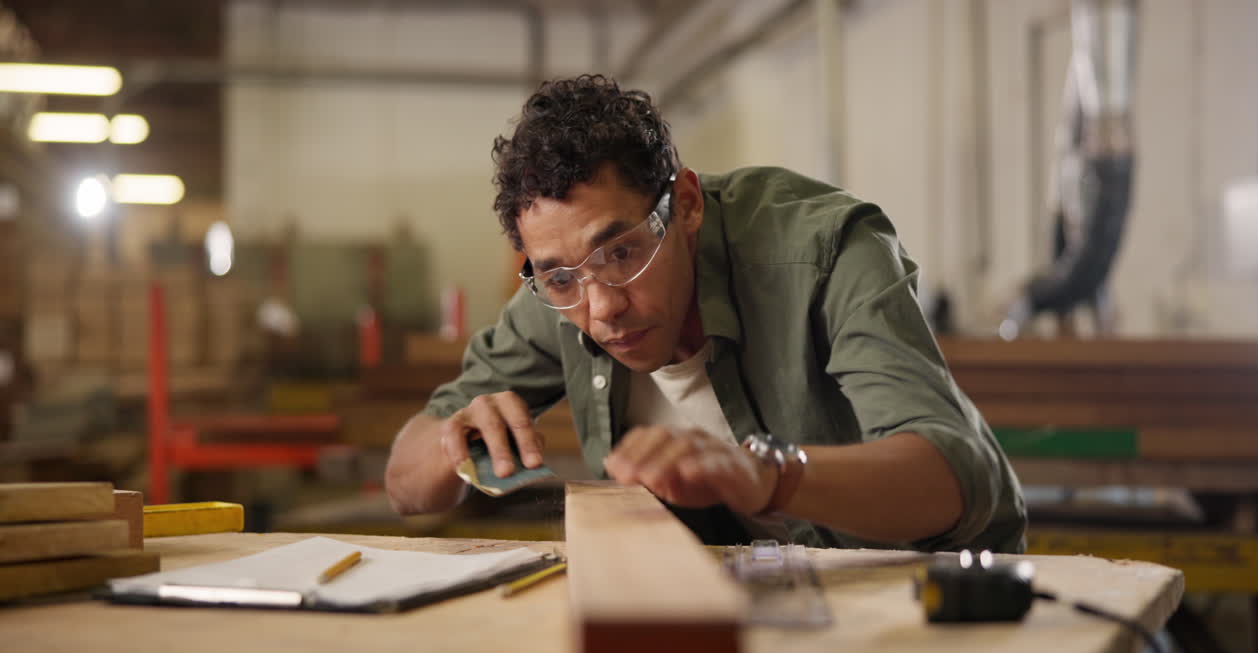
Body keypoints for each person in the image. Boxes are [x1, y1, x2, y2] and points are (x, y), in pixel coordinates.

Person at [386, 75, 1025, 552]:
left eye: (623, 251)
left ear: (685, 204)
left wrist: (767, 475)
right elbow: (404, 486)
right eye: (560, 275)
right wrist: (453, 445)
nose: (602, 305)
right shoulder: (564, 291)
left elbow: (955, 477)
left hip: (933, 599)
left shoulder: (823, 251)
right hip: (751, 601)